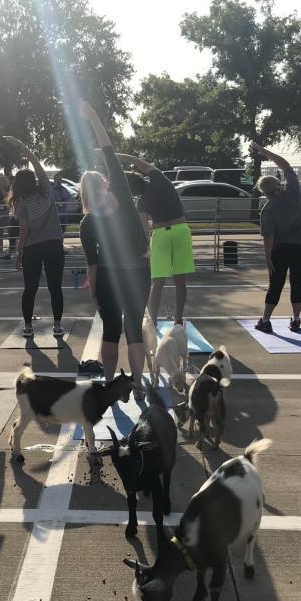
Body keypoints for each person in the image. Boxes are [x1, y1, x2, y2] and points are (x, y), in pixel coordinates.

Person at [78, 101, 150, 398]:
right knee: (134, 328)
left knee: (110, 330)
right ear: (106, 183)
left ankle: (109, 385)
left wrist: (94, 290)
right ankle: (136, 384)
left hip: (108, 276)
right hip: (138, 272)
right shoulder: (120, 192)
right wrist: (93, 118)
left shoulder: (86, 223)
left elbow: (92, 265)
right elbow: (108, 151)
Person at [117, 152, 192, 325]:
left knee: (158, 282)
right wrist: (114, 155)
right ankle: (179, 319)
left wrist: (146, 248)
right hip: (181, 230)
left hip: (161, 234)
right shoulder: (160, 179)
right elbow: (136, 161)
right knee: (180, 281)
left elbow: (144, 229)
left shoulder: (141, 203)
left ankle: (154, 320)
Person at [3, 136, 65, 338]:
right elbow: (38, 164)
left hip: (32, 249)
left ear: (18, 185)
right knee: (55, 287)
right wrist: (22, 147)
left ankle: (28, 326)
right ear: (34, 180)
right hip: (54, 245)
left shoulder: (21, 203)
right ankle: (57, 326)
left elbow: (24, 231)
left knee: (30, 288)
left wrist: (19, 254)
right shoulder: (46, 191)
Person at [252, 141, 301, 334]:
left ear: (264, 193)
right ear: (278, 184)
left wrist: (267, 257)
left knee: (276, 284)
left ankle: (266, 319)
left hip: (281, 248)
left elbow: (268, 237)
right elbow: (285, 165)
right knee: (298, 281)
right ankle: (296, 320)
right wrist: (264, 151)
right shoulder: (294, 191)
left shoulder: (268, 210)